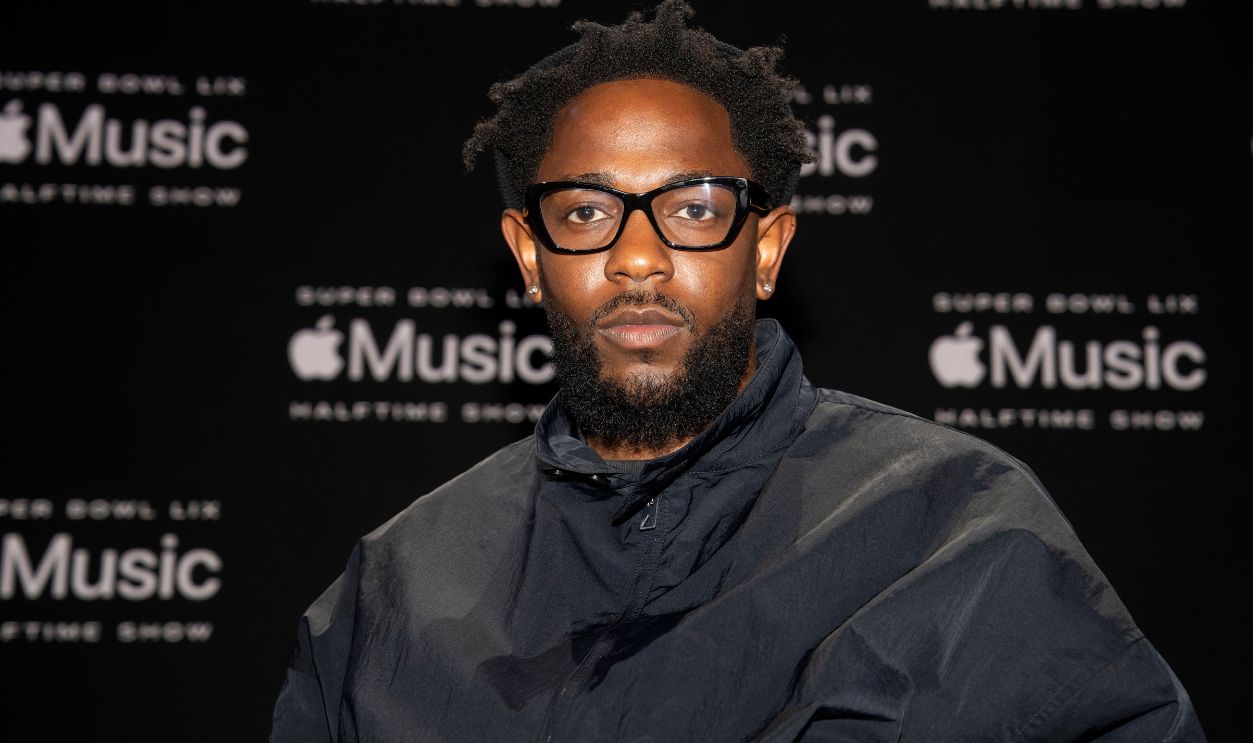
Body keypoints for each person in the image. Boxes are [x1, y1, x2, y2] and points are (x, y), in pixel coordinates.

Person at [270, 1, 1205, 740]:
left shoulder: (956, 528)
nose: (638, 258)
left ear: (765, 249)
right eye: (588, 211)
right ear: (528, 253)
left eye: (693, 206)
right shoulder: (397, 589)